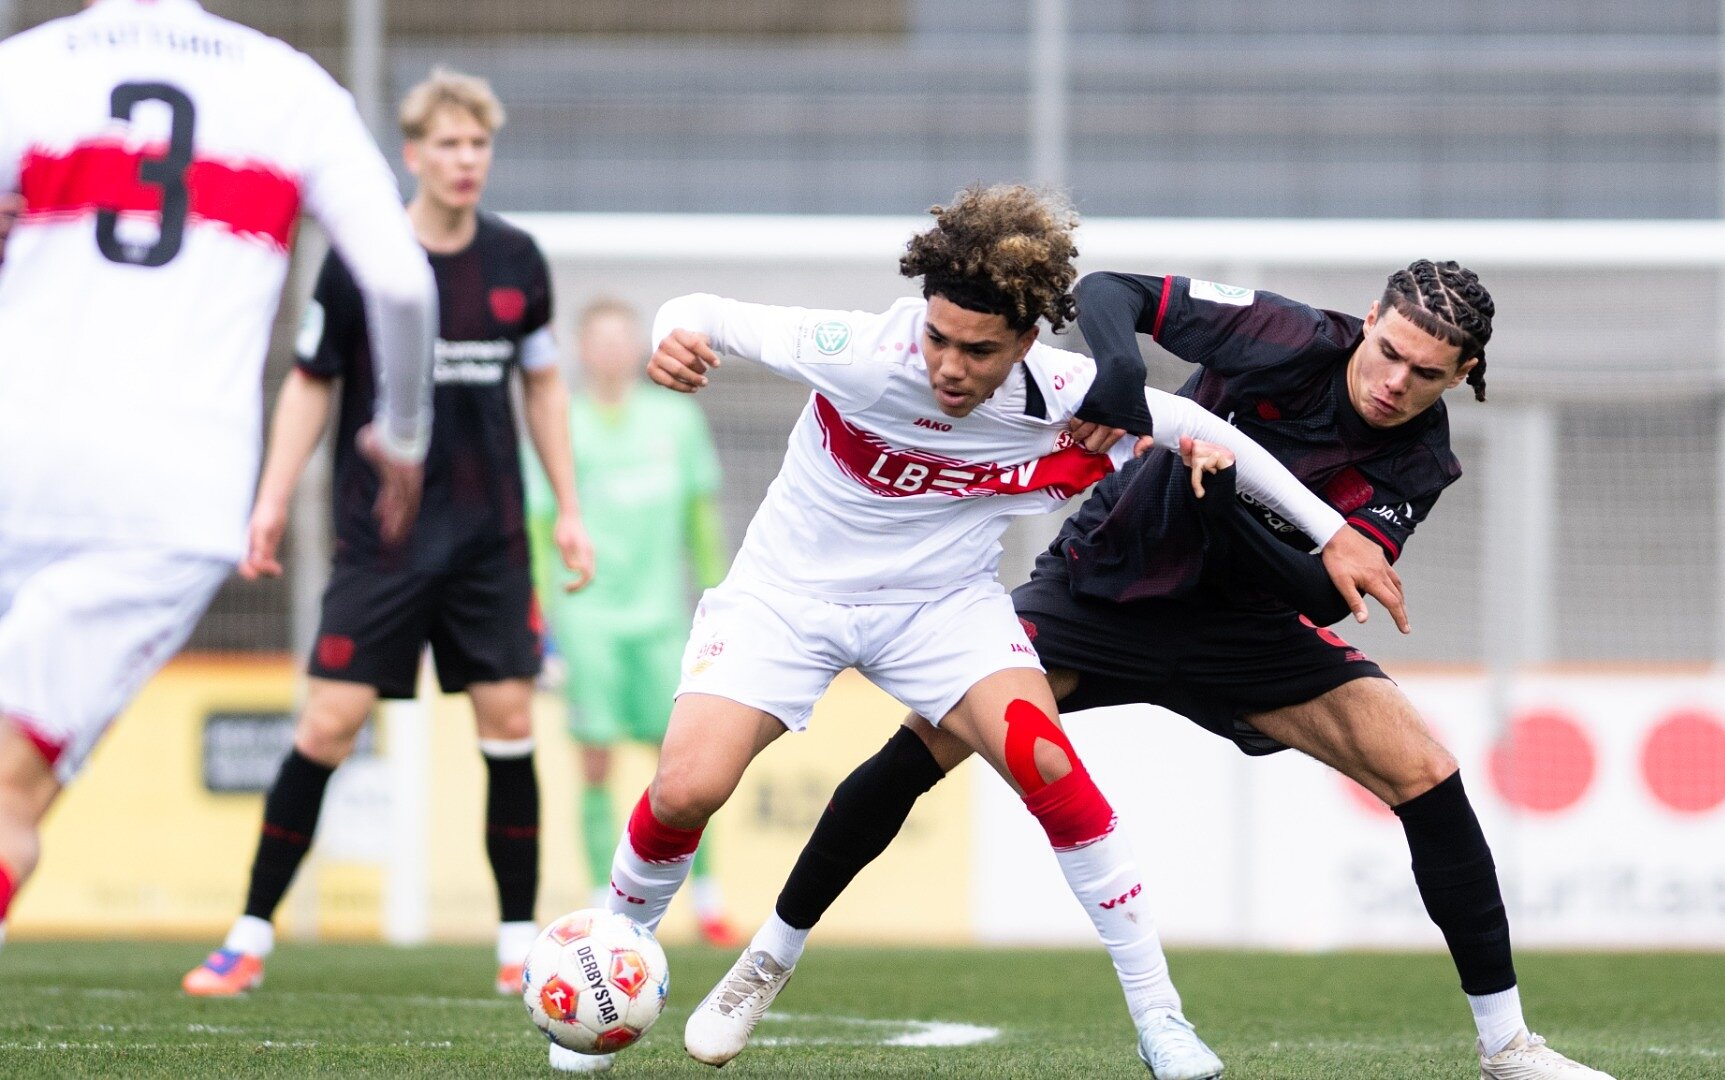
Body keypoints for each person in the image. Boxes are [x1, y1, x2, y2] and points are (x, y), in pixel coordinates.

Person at [552, 184, 1401, 1080]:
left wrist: (1332, 531)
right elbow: (702, 311)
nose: (950, 367)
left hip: (940, 608)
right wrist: (670, 337)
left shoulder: (1065, 394)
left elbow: (1193, 423)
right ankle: (617, 958)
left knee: (1046, 764)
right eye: (938, 339)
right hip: (787, 597)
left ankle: (1162, 1020)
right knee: (688, 788)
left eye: (979, 350)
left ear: (1027, 343)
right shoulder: (860, 352)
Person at [714, 264, 1620, 1080]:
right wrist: (1116, 371)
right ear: (1371, 317)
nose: (1395, 384)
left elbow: (1316, 586)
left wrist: (1224, 507)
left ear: (1462, 376)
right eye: (1389, 353)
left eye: (1426, 375)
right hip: (1108, 586)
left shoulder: (1421, 459)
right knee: (921, 749)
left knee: (1423, 767)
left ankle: (1508, 1047)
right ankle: (767, 958)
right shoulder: (1288, 333)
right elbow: (1112, 292)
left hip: (1249, 630)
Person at [0, 0, 434, 955]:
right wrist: (401, 430)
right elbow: (401, 285)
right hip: (166, 491)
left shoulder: (26, 69)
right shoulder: (285, 87)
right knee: (10, 800)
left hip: (15, 449)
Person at [182, 68, 593, 998]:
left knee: (512, 723)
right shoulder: (366, 260)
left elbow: (542, 385)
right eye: (447, 144)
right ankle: (247, 936)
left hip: (488, 539)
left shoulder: (519, 260)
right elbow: (311, 379)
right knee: (328, 722)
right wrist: (272, 497)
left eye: (478, 145)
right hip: (384, 540)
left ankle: (516, 945)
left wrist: (567, 508)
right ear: (413, 155)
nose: (465, 161)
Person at [525, 297, 736, 945]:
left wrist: (719, 598)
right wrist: (542, 615)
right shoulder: (561, 424)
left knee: (689, 767)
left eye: (624, 339)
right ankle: (600, 896)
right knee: (594, 759)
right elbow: (539, 524)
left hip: (662, 619)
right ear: (582, 351)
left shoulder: (675, 420)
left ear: (638, 348)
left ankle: (707, 896)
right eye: (601, 340)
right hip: (587, 617)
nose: (613, 351)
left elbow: (702, 519)